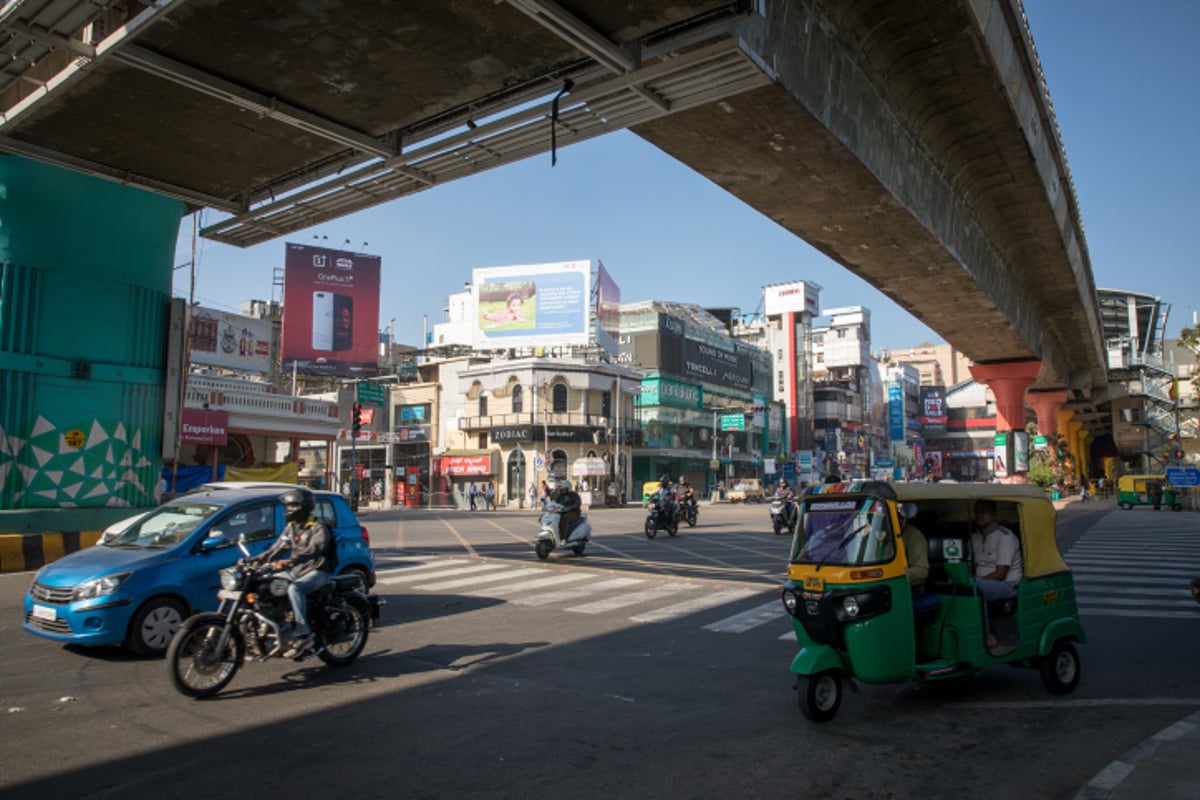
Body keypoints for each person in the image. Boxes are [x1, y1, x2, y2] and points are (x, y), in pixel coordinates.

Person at [259, 488, 332, 657]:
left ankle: (304, 634)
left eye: (293, 505)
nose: (289, 509)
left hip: (317, 571)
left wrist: (291, 560)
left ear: (304, 507)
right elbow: (276, 549)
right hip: (296, 571)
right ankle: (278, 625)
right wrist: (256, 560)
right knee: (266, 584)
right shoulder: (291, 527)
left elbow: (316, 548)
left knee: (295, 589)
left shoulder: (317, 526)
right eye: (288, 505)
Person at [971, 499, 1023, 650]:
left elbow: (1001, 573)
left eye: (984, 512)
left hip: (1007, 585)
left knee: (976, 589)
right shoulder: (975, 537)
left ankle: (988, 636)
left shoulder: (1005, 536)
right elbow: (972, 565)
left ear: (993, 515)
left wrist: (975, 581)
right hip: (983, 582)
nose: (979, 516)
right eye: (977, 513)